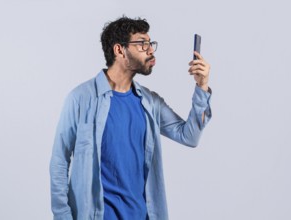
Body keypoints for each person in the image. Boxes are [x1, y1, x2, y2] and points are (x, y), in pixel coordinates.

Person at [50, 16, 212, 220]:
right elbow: (59, 161)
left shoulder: (150, 103)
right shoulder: (81, 98)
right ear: (119, 50)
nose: (151, 50)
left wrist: (202, 86)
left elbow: (189, 136)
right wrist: (63, 216)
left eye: (150, 44)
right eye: (142, 44)